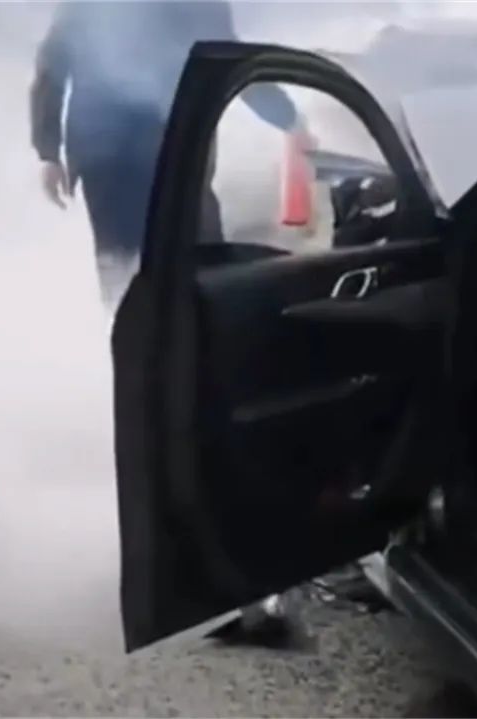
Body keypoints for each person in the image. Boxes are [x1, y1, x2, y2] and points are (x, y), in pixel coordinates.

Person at [30, 0, 312, 648]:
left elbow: (54, 62)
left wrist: (49, 148)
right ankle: (166, 426)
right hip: (155, 159)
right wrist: (291, 120)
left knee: (142, 292)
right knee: (175, 295)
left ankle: (154, 412)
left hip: (127, 157)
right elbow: (233, 62)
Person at [29, 0, 312, 311]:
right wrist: (48, 151)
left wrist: (287, 118)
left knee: (192, 260)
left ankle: (186, 329)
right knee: (128, 264)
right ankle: (137, 330)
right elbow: (54, 63)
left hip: (173, 148)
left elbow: (229, 61)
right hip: (114, 153)